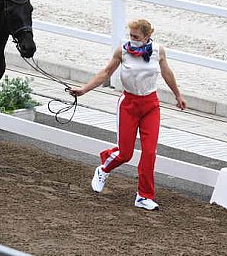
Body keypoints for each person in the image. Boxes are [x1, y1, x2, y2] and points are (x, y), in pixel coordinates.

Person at [69, 19, 187, 211]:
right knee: (125, 153)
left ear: (147, 37)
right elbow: (106, 73)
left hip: (150, 105)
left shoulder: (158, 51)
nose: (132, 39)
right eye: (130, 35)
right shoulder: (122, 51)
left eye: (136, 37)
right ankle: (104, 168)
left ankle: (144, 195)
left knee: (149, 153)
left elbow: (167, 73)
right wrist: (84, 90)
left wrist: (178, 95)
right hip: (129, 105)